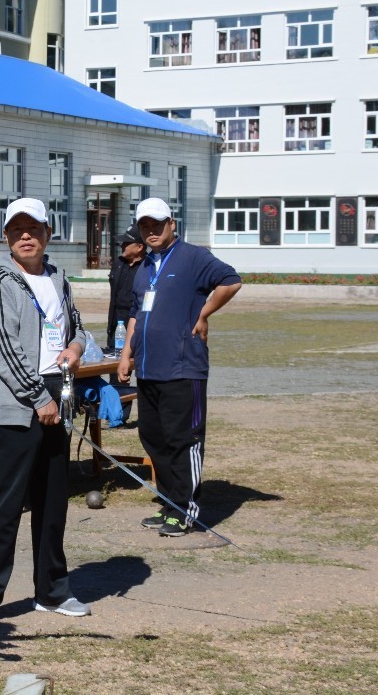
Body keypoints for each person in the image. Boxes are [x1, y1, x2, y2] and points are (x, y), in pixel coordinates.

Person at [0, 198, 90, 625]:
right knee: (4, 503)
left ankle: (52, 591)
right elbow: (3, 349)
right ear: (6, 236)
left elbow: (75, 325)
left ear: (47, 234)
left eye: (33, 229)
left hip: (57, 393)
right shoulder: (1, 280)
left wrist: (75, 347)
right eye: (16, 229)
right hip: (18, 404)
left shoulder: (57, 277)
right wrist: (40, 399)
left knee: (54, 502)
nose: (25, 236)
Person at [117, 197, 242, 537]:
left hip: (183, 368)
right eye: (145, 226)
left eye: (157, 224)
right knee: (152, 437)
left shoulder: (193, 257)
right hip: (148, 368)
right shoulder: (144, 266)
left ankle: (185, 509)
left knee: (182, 439)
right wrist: (127, 354)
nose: (151, 231)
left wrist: (204, 314)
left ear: (172, 223)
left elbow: (231, 281)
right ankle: (170, 502)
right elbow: (135, 313)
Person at [106, 225, 145, 351]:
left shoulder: (149, 266)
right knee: (115, 364)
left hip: (138, 324)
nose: (122, 246)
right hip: (117, 325)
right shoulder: (118, 263)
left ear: (140, 247)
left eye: (127, 243)